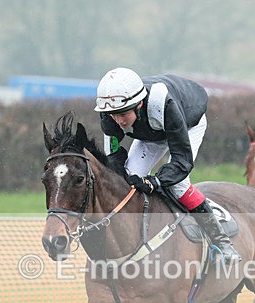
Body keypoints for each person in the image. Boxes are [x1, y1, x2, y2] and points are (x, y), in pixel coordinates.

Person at [94, 67, 241, 263]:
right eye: (113, 114)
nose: (118, 120)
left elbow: (182, 162)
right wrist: (127, 177)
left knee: (177, 185)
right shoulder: (109, 114)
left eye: (122, 113)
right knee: (124, 182)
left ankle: (222, 242)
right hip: (149, 131)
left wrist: (154, 181)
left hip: (187, 123)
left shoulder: (164, 104)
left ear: (138, 104)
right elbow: (113, 158)